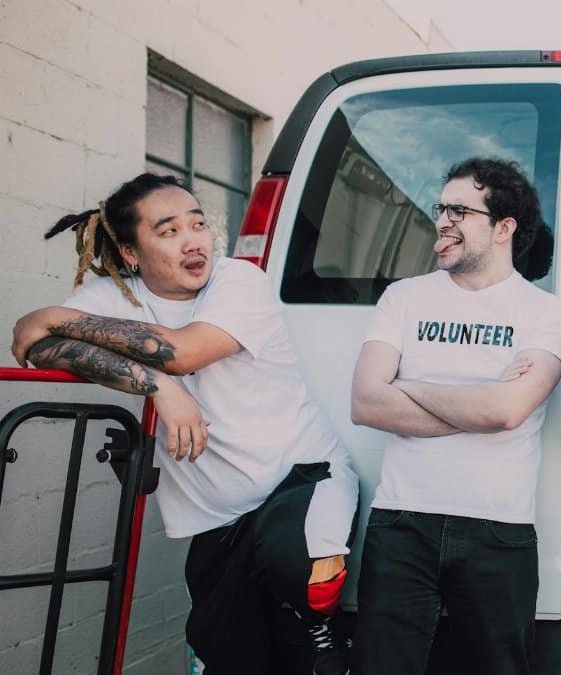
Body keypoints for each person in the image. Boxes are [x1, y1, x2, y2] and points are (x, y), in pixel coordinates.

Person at [10, 174, 360, 674]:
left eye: (198, 224)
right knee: (228, 656)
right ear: (132, 253)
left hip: (302, 476)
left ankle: (323, 639)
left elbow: (182, 351)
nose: (193, 240)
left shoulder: (238, 280)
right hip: (217, 516)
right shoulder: (115, 297)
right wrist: (160, 388)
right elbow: (33, 344)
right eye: (169, 231)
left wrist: (54, 315)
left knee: (298, 569)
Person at [349, 157, 561, 675]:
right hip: (402, 523)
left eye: (460, 211)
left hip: (499, 530)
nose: (443, 220)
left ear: (503, 228)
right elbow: (364, 403)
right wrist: (481, 401)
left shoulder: (545, 312)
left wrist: (406, 387)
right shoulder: (404, 298)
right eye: (441, 208)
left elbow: (507, 410)